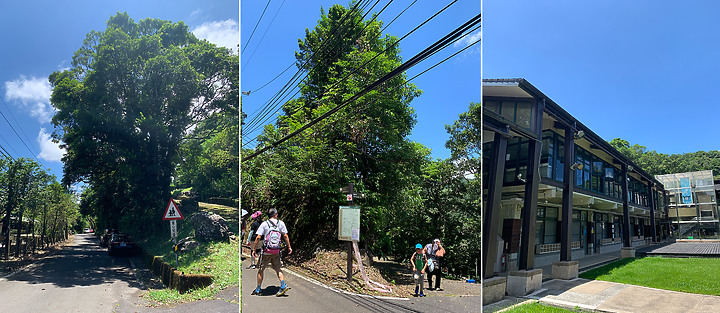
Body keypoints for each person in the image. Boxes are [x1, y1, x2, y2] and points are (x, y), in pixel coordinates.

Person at [251, 208, 293, 296]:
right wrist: (289, 246)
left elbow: (258, 237)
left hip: (266, 251)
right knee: (278, 268)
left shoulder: (264, 224)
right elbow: (285, 236)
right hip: (276, 251)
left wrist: (254, 249)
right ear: (275, 214)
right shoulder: (281, 223)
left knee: (261, 270)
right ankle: (283, 285)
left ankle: (258, 289)